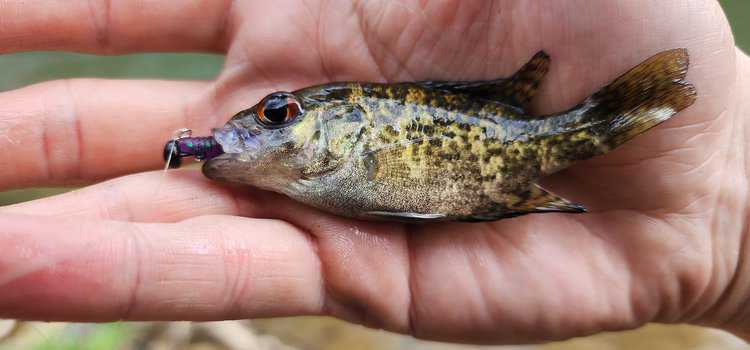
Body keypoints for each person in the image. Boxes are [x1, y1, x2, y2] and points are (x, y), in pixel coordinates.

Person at [0, 0, 746, 344]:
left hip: (506, 143)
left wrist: (727, 167)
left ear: (341, 127)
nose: (244, 135)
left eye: (278, 115)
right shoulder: (284, 171)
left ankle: (620, 114)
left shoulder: (351, 148)